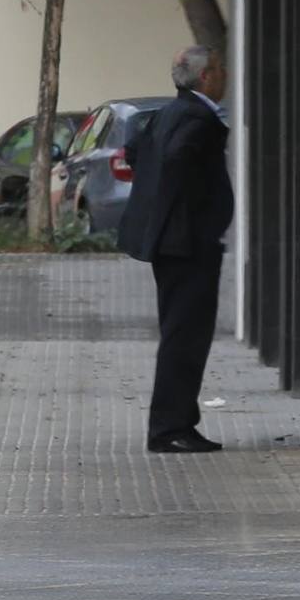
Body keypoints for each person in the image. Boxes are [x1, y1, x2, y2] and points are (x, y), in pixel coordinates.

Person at [118, 45, 233, 454]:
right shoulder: (196, 119)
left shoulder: (169, 112)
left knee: (180, 335)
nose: (224, 75)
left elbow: (135, 151)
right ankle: (169, 429)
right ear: (206, 77)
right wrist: (195, 218)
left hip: (174, 244)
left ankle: (178, 422)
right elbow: (177, 160)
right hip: (188, 247)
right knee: (185, 338)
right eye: (219, 68)